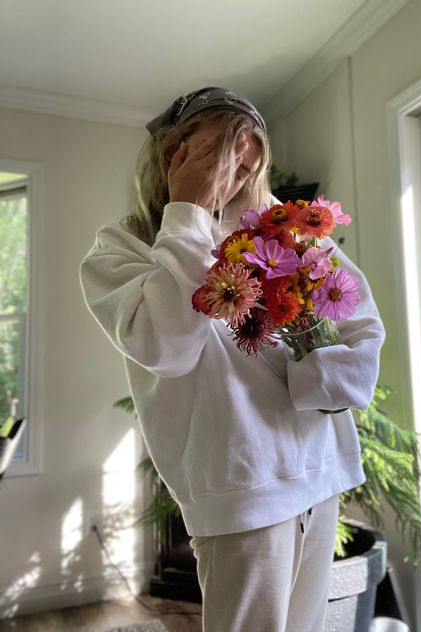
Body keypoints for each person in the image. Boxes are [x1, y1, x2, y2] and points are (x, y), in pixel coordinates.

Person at [79, 86, 385, 632]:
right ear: (174, 153)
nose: (237, 169)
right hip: (239, 490)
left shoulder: (279, 228)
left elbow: (361, 317)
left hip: (319, 470)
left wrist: (317, 381)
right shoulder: (121, 249)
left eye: (249, 159)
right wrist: (188, 213)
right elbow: (167, 349)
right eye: (222, 151)